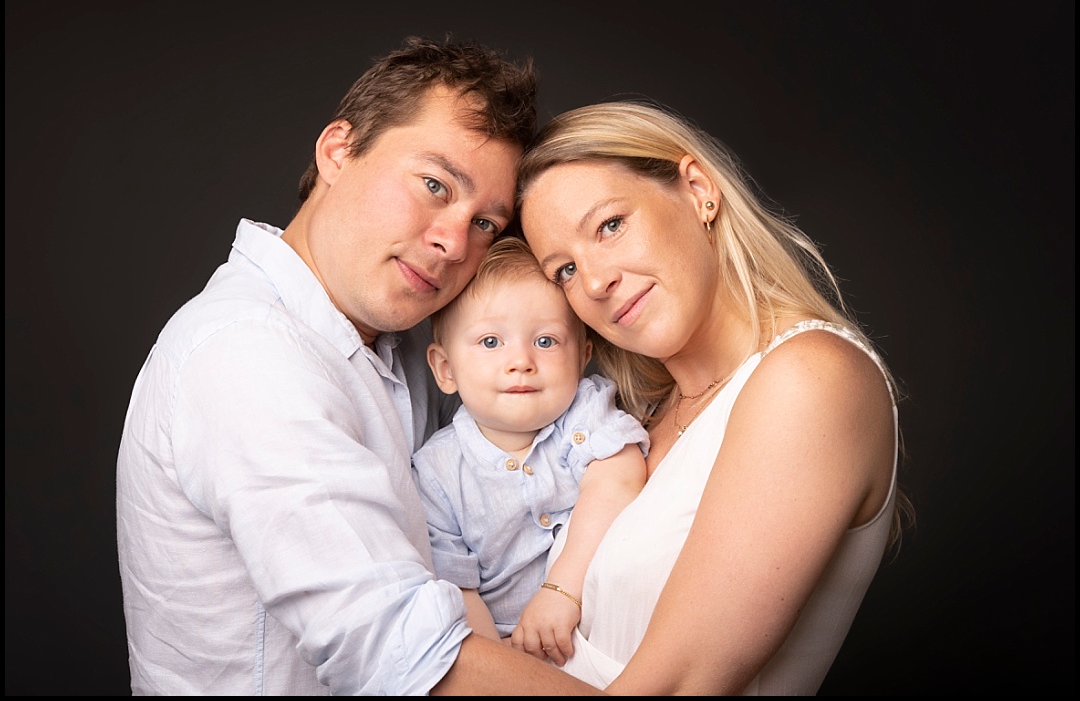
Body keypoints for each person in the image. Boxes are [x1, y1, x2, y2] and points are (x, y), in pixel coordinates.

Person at [115, 35, 604, 696]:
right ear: (337, 151)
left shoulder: (403, 346)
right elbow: (402, 651)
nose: (454, 241)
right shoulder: (247, 354)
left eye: (486, 222)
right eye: (434, 184)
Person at [514, 100, 914, 695]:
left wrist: (427, 650)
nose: (595, 281)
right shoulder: (633, 423)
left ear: (698, 189)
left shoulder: (812, 378)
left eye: (610, 225)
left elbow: (679, 685)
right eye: (564, 270)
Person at [411, 236, 648, 665]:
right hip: (504, 648)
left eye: (545, 342)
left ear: (581, 359)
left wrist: (562, 590)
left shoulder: (583, 413)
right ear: (446, 370)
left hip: (599, 630)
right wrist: (505, 671)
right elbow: (455, 588)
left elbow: (621, 474)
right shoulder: (437, 472)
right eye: (490, 342)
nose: (520, 361)